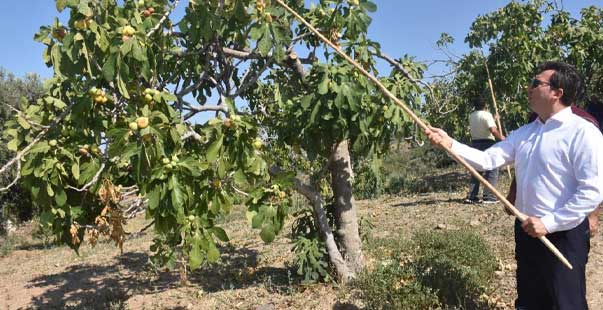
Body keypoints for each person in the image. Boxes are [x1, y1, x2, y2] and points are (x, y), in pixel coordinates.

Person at [425, 61, 603, 309]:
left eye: (535, 83)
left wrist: (549, 223)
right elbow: (488, 159)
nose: (528, 88)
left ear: (557, 92)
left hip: (563, 234)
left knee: (566, 302)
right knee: (531, 300)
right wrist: (449, 143)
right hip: (527, 230)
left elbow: (591, 191)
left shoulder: (584, 132)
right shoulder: (526, 133)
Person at [506, 104, 602, 237]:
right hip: (529, 221)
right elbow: (526, 163)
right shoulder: (536, 120)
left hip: (565, 224)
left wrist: (593, 216)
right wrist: (513, 194)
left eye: (537, 84)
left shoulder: (584, 124)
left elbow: (592, 179)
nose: (530, 88)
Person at [465, 97, 505, 204]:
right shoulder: (487, 115)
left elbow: (483, 124)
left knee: (476, 169)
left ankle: (472, 196)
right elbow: (492, 130)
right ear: (485, 105)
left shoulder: (472, 116)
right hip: (487, 143)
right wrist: (502, 138)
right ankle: (489, 196)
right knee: (491, 168)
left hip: (475, 143)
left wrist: (494, 119)